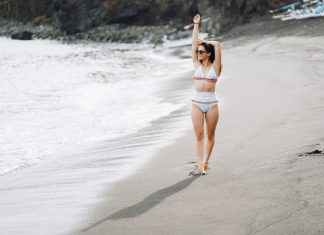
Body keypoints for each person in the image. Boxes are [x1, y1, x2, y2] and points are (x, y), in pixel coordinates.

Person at [190, 14, 222, 176]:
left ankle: (206, 162)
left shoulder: (216, 67)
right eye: (198, 52)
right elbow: (193, 44)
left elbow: (217, 44)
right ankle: (199, 165)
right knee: (199, 135)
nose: (198, 53)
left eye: (202, 52)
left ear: (208, 53)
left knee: (210, 135)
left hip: (212, 103)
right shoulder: (196, 64)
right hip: (196, 102)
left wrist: (206, 43)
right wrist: (196, 24)